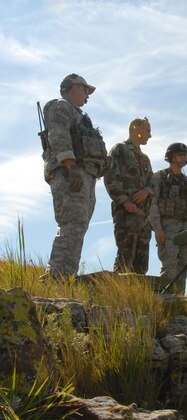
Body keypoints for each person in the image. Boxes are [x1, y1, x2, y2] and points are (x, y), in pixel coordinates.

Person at [41, 73, 107, 280]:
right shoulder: (60, 106)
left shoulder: (79, 115)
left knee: (78, 226)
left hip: (84, 175)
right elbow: (58, 134)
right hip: (70, 174)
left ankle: (61, 275)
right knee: (72, 224)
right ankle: (58, 277)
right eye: (85, 89)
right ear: (72, 87)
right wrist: (70, 165)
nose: (88, 95)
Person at [149, 143, 187, 292]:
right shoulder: (159, 177)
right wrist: (157, 228)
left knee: (185, 267)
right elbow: (152, 204)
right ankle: (165, 301)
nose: (183, 158)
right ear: (171, 157)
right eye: (180, 155)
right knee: (169, 266)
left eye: (185, 155)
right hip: (167, 228)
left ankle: (178, 300)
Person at [104, 117, 153, 273]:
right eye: (147, 130)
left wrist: (147, 191)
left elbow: (152, 183)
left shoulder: (145, 159)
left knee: (142, 259)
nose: (150, 135)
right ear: (136, 129)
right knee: (125, 255)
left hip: (144, 215)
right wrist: (125, 201)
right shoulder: (119, 150)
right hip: (126, 212)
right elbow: (110, 177)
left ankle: (139, 293)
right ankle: (120, 293)